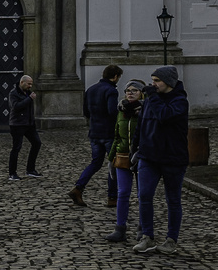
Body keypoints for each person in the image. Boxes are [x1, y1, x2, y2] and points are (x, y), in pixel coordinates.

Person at [133, 65, 190, 255]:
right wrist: (136, 149)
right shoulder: (151, 100)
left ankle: (171, 240)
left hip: (173, 158)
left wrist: (153, 97)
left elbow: (164, 115)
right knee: (144, 196)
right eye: (152, 80)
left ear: (169, 82)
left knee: (173, 200)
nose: (153, 84)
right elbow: (141, 125)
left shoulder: (180, 101)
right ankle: (147, 236)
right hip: (149, 157)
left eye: (157, 81)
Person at [70, 64, 122, 207]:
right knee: (113, 165)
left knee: (95, 163)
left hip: (94, 133)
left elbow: (86, 112)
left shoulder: (91, 89)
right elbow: (112, 112)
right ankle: (112, 198)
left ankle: (78, 187)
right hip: (108, 134)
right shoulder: (111, 90)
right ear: (115, 77)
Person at [105, 79, 144, 243]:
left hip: (142, 157)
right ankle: (120, 228)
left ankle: (144, 229)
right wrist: (111, 159)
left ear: (142, 93)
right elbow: (116, 136)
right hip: (122, 156)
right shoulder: (121, 110)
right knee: (122, 193)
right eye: (128, 90)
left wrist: (141, 152)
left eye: (135, 90)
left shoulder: (146, 110)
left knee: (143, 195)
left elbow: (149, 135)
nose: (130, 92)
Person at [7, 75, 41, 180]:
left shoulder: (28, 92)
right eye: (28, 84)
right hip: (17, 124)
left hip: (29, 124)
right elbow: (16, 107)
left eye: (31, 84)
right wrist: (29, 99)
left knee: (37, 143)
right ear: (22, 82)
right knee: (16, 148)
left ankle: (30, 170)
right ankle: (12, 173)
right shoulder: (13, 93)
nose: (30, 86)